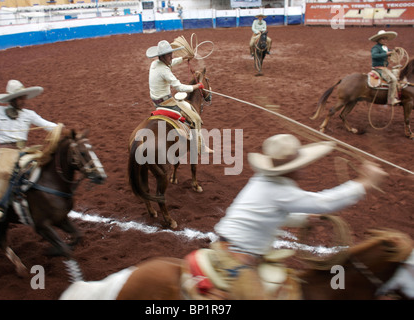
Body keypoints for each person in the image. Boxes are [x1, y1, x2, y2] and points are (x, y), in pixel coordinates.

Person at [210, 134, 388, 299]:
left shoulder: (263, 181)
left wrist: (303, 218)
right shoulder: (280, 190)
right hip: (236, 256)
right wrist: (365, 182)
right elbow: (323, 202)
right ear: (290, 169)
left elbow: (269, 213)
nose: (302, 167)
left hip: (235, 249)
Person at [0, 80, 58, 221]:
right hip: (6, 151)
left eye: (24, 97)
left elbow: (46, 124)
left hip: (23, 149)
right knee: (5, 172)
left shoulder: (29, 114)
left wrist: (60, 128)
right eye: (20, 98)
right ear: (12, 99)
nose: (23, 101)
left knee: (43, 165)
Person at [146, 40, 213, 153]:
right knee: (196, 118)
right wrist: (197, 86)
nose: (172, 56)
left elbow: (171, 62)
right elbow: (180, 87)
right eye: (169, 54)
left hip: (156, 102)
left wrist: (184, 58)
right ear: (163, 56)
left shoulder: (155, 64)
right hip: (167, 102)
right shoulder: (165, 71)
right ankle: (200, 147)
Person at [369, 30, 400, 105]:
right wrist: (386, 54)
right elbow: (374, 55)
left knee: (397, 74)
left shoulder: (385, 48)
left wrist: (394, 51)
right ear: (378, 40)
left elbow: (389, 52)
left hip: (384, 68)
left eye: (386, 39)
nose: (385, 40)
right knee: (393, 79)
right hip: (378, 68)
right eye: (383, 39)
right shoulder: (376, 48)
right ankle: (391, 100)